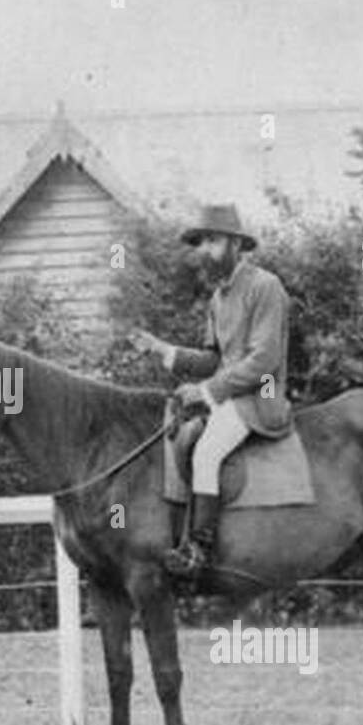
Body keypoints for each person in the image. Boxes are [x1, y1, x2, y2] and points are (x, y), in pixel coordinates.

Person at [129, 204, 292, 578]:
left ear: (236, 244)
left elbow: (264, 360)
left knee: (206, 453)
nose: (205, 250)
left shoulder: (266, 287)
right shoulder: (218, 298)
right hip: (230, 396)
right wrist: (162, 349)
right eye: (201, 242)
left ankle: (199, 550)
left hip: (259, 398)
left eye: (214, 241)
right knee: (178, 439)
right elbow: (211, 359)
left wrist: (206, 393)